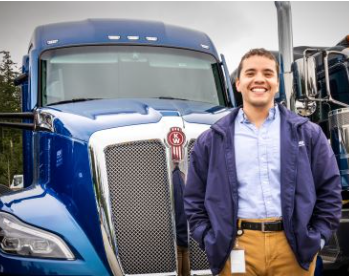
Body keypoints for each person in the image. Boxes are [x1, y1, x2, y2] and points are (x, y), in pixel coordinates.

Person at [184, 48, 342, 276]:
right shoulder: (212, 139)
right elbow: (194, 199)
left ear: (277, 83)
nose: (259, 79)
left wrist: (316, 238)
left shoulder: (307, 134)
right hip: (236, 246)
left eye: (267, 73)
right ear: (238, 84)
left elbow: (330, 190)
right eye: (250, 73)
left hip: (293, 247)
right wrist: (210, 239)